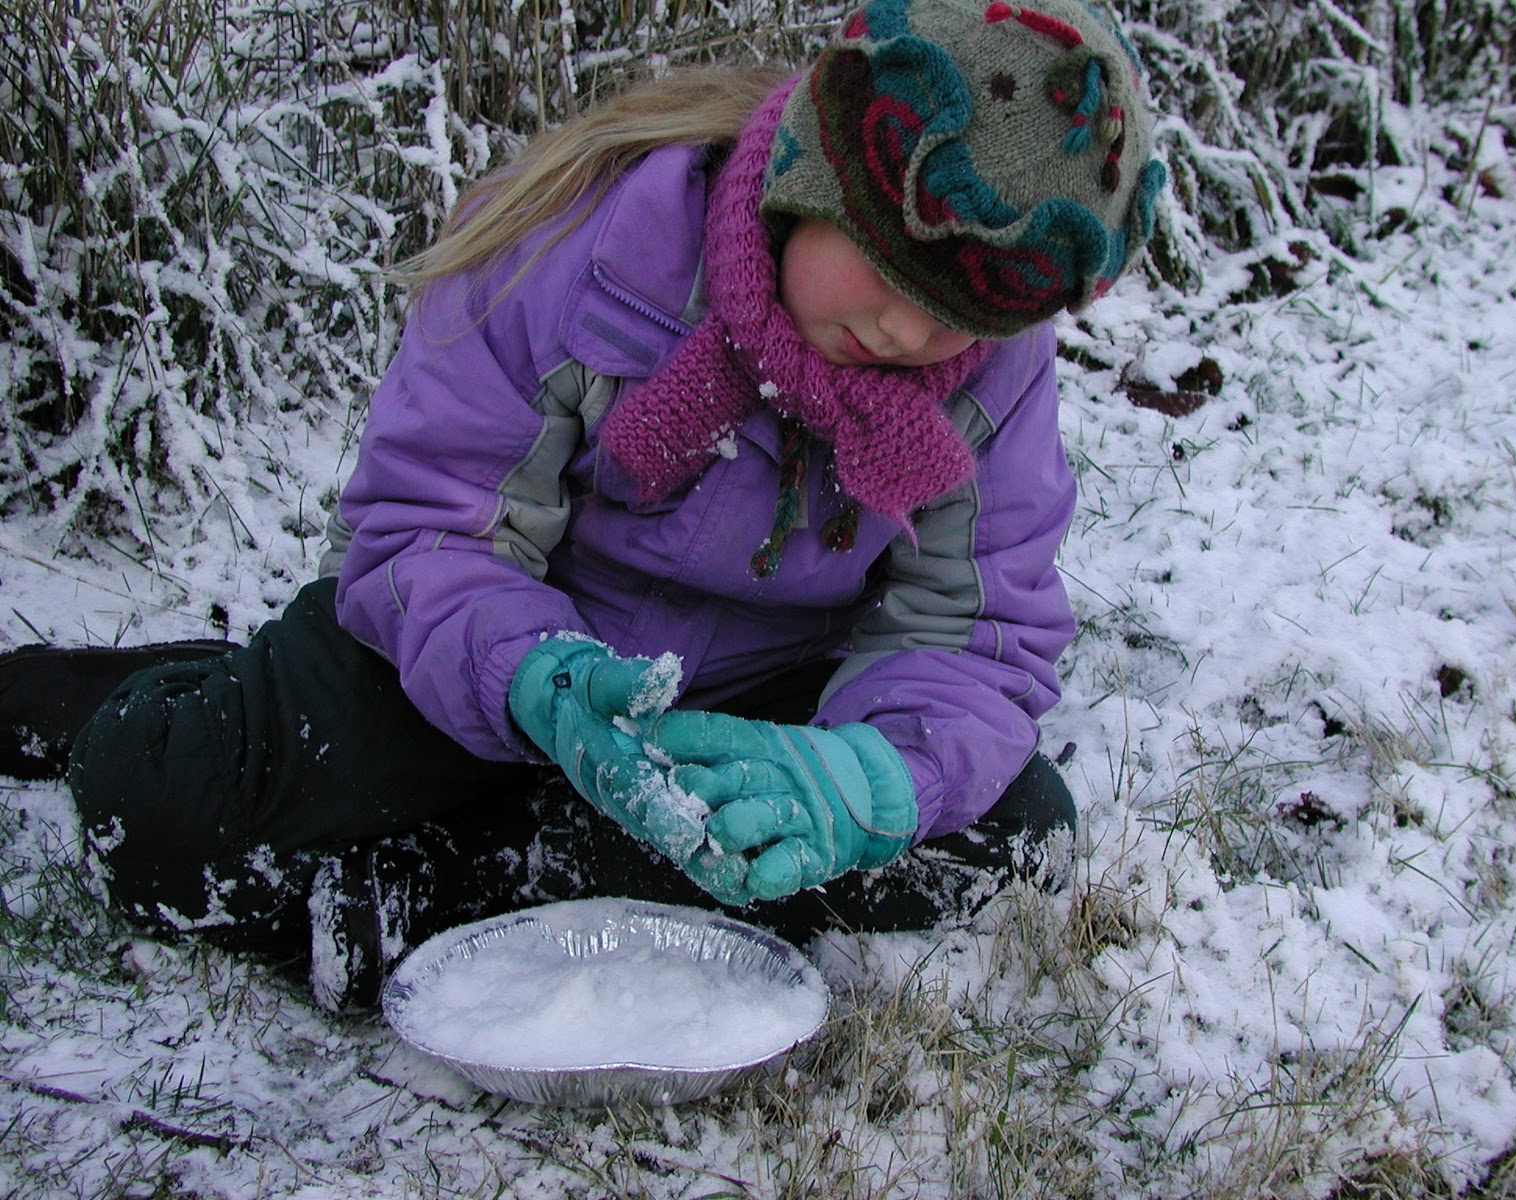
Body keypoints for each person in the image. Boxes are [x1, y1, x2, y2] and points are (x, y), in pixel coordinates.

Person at [0, 0, 1164, 1012]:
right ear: (816, 179)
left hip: (754, 709)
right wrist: (534, 680)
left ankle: (461, 882)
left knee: (1010, 839)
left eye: (958, 314)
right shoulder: (587, 241)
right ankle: (140, 690)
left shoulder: (987, 382)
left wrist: (861, 780)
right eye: (890, 269)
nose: (913, 335)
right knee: (156, 808)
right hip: (497, 657)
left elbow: (970, 639)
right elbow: (427, 526)